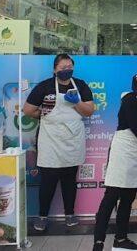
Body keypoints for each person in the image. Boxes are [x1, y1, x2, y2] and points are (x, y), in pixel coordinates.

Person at [23, 54, 96, 232]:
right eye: (63, 67)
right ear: (55, 69)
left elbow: (89, 111)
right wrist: (44, 115)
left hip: (72, 139)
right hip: (50, 139)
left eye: (69, 67)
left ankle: (70, 214)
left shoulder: (80, 85)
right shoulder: (45, 86)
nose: (67, 70)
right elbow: (28, 110)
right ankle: (42, 216)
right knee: (48, 181)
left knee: (69, 180)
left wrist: (76, 102)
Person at [92, 70, 137, 251]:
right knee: (111, 197)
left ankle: (121, 239)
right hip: (122, 151)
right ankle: (98, 242)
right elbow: (136, 126)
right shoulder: (130, 99)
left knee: (128, 198)